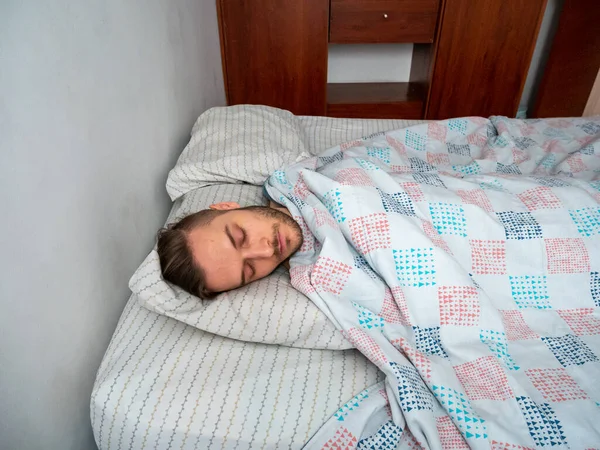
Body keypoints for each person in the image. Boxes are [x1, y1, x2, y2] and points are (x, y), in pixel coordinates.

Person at [156, 200, 303, 299]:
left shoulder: (289, 180)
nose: (267, 252)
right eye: (250, 269)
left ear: (226, 206)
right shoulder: (312, 275)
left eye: (242, 237)